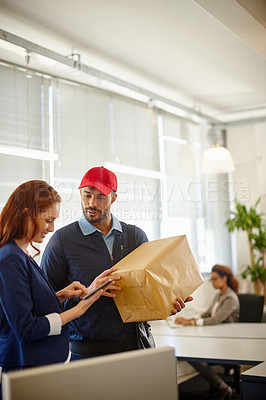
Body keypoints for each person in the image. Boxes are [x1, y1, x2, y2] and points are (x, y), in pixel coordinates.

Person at [41, 166, 192, 361]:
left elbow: (148, 292)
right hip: (86, 352)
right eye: (87, 195)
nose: (92, 203)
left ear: (113, 198)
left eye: (101, 197)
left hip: (135, 347)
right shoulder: (61, 241)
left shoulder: (135, 237)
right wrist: (87, 293)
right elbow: (47, 303)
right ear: (80, 194)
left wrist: (167, 303)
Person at [0, 180, 120, 399]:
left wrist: (61, 296)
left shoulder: (22, 255)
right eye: (48, 220)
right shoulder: (9, 259)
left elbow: (24, 307)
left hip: (38, 369)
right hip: (24, 372)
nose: (52, 228)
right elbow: (27, 329)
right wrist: (80, 308)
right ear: (26, 213)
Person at [175, 264, 240, 400]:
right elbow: (207, 314)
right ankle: (220, 386)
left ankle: (222, 387)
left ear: (224, 278)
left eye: (215, 279)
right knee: (190, 353)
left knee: (191, 356)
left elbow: (216, 319)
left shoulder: (231, 298)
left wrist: (191, 323)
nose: (212, 283)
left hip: (228, 342)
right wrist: (189, 319)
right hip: (215, 337)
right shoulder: (219, 296)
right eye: (211, 279)